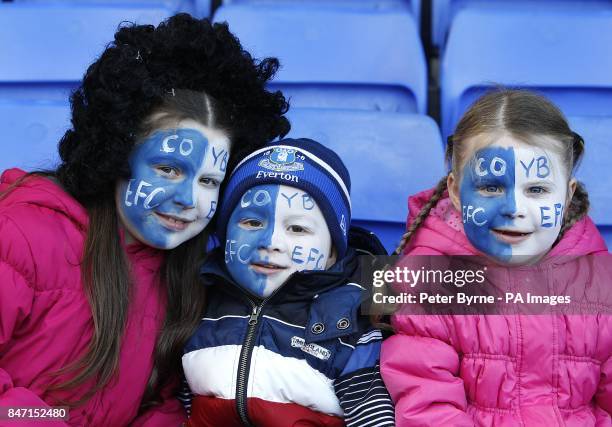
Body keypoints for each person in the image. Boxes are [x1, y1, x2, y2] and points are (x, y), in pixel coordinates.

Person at [0, 14, 289, 426]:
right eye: (168, 169)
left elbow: (160, 403)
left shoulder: (188, 273)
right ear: (118, 156)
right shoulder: (20, 233)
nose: (188, 199)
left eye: (209, 180)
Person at [380, 89, 612, 425]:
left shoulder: (601, 281)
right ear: (457, 192)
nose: (514, 209)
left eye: (537, 190)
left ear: (567, 194)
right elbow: (428, 408)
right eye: (491, 187)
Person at [180, 138, 396, 427]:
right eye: (252, 223)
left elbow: (373, 417)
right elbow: (181, 405)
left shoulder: (351, 317)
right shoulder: (199, 298)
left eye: (297, 228)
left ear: (333, 250)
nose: (271, 242)